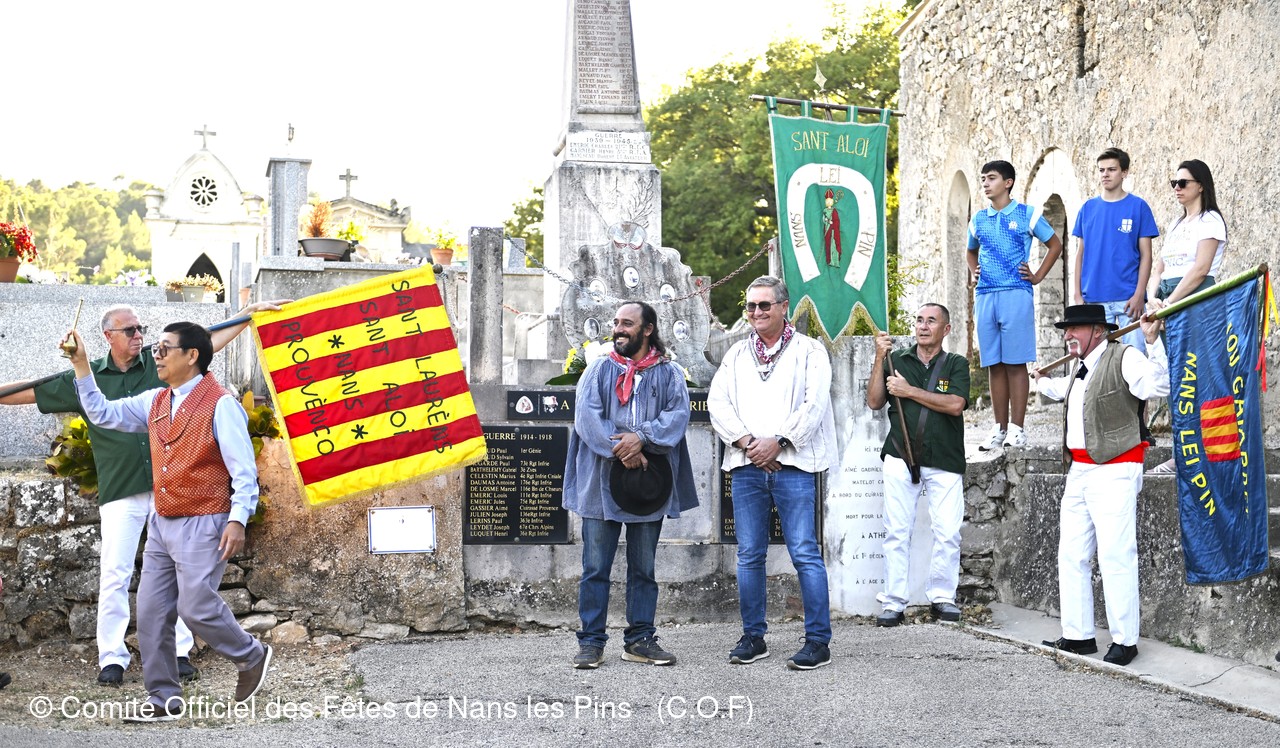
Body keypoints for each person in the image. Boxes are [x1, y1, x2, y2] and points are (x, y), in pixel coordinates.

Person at [0, 301, 283, 687]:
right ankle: (121, 664)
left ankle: (190, 653)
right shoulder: (113, 381)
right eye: (131, 331)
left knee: (185, 590)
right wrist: (80, 365)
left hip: (182, 501)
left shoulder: (173, 372)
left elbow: (205, 343)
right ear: (108, 336)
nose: (142, 339)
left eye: (144, 332)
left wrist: (248, 314)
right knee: (122, 580)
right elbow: (51, 397)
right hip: (126, 492)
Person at [64, 322, 273, 721]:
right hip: (163, 522)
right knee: (151, 613)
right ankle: (163, 699)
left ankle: (251, 654)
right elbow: (102, 413)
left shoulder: (221, 404)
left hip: (206, 519)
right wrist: (81, 364)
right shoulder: (156, 400)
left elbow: (244, 471)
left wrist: (238, 520)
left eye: (164, 348)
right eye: (155, 348)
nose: (155, 355)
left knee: (196, 608)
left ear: (192, 355)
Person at [708, 275, 838, 670]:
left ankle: (817, 642)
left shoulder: (810, 351)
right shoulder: (736, 354)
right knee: (749, 554)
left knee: (804, 552)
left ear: (784, 307)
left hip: (793, 465)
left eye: (764, 305)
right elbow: (718, 403)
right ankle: (753, 637)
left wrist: (779, 441)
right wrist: (750, 443)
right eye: (751, 306)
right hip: (747, 465)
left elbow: (814, 405)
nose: (757, 312)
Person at [563, 301, 699, 669]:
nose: (618, 329)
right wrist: (623, 449)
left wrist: (641, 437)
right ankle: (591, 642)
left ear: (648, 329)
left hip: (647, 484)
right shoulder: (598, 369)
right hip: (600, 482)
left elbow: (677, 416)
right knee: (595, 567)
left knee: (643, 568)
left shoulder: (669, 374)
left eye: (627, 323)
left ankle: (640, 639)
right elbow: (587, 418)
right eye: (616, 323)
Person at [1034, 304, 1168, 667]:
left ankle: (1126, 641)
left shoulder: (1125, 357)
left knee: (1115, 554)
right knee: (1071, 553)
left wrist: (1153, 341)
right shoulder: (1079, 367)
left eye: (1074, 329)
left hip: (1116, 468)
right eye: (1066, 330)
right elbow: (1061, 390)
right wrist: (1040, 380)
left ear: (1097, 330)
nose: (1067, 335)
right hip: (1079, 470)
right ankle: (1078, 635)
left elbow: (1160, 384)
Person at [866, 304, 970, 626]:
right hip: (900, 455)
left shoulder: (956, 364)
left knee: (948, 532)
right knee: (896, 531)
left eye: (931, 321)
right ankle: (894, 602)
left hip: (945, 457)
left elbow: (955, 404)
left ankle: (942, 598)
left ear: (946, 329)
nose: (923, 327)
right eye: (920, 320)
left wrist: (909, 391)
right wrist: (880, 357)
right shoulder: (897, 360)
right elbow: (874, 401)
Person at [967, 159, 1064, 451]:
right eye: (983, 179)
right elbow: (971, 252)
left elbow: (1055, 244)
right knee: (994, 364)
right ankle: (998, 428)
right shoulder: (978, 219)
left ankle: (1017, 429)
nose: (986, 183)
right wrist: (974, 272)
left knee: (1015, 363)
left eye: (991, 178)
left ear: (1007, 183)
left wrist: (1038, 276)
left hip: (1016, 293)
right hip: (985, 295)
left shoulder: (1027, 215)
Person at [1145, 159, 1227, 475]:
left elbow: (1200, 270)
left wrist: (1169, 303)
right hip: (1169, 299)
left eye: (1183, 183)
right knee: (1177, 377)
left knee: (1196, 377)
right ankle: (1182, 452)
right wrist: (1152, 297)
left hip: (1194, 299)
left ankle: (1199, 453)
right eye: (1174, 183)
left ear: (1201, 186)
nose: (1177, 188)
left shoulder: (1211, 221)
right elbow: (1160, 267)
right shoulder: (1178, 224)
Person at [1070, 148, 1160, 352]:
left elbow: (1146, 255)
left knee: (1135, 358)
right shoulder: (1087, 209)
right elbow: (1080, 254)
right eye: (1101, 170)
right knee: (1097, 361)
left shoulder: (1138, 207)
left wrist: (1140, 294)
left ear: (1124, 172)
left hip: (1129, 299)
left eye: (1111, 169)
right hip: (1093, 300)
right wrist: (1077, 295)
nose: (1105, 174)